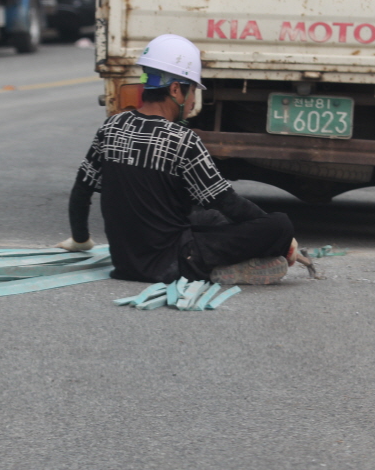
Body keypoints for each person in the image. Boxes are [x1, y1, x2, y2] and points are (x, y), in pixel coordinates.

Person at [57, 33, 304, 285]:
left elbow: (81, 191)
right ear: (176, 89)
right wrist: (282, 237)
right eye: (193, 89)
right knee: (280, 224)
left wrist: (80, 239)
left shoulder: (111, 127)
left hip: (125, 263)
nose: (194, 99)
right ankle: (220, 269)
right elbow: (228, 202)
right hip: (174, 264)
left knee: (206, 216)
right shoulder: (182, 139)